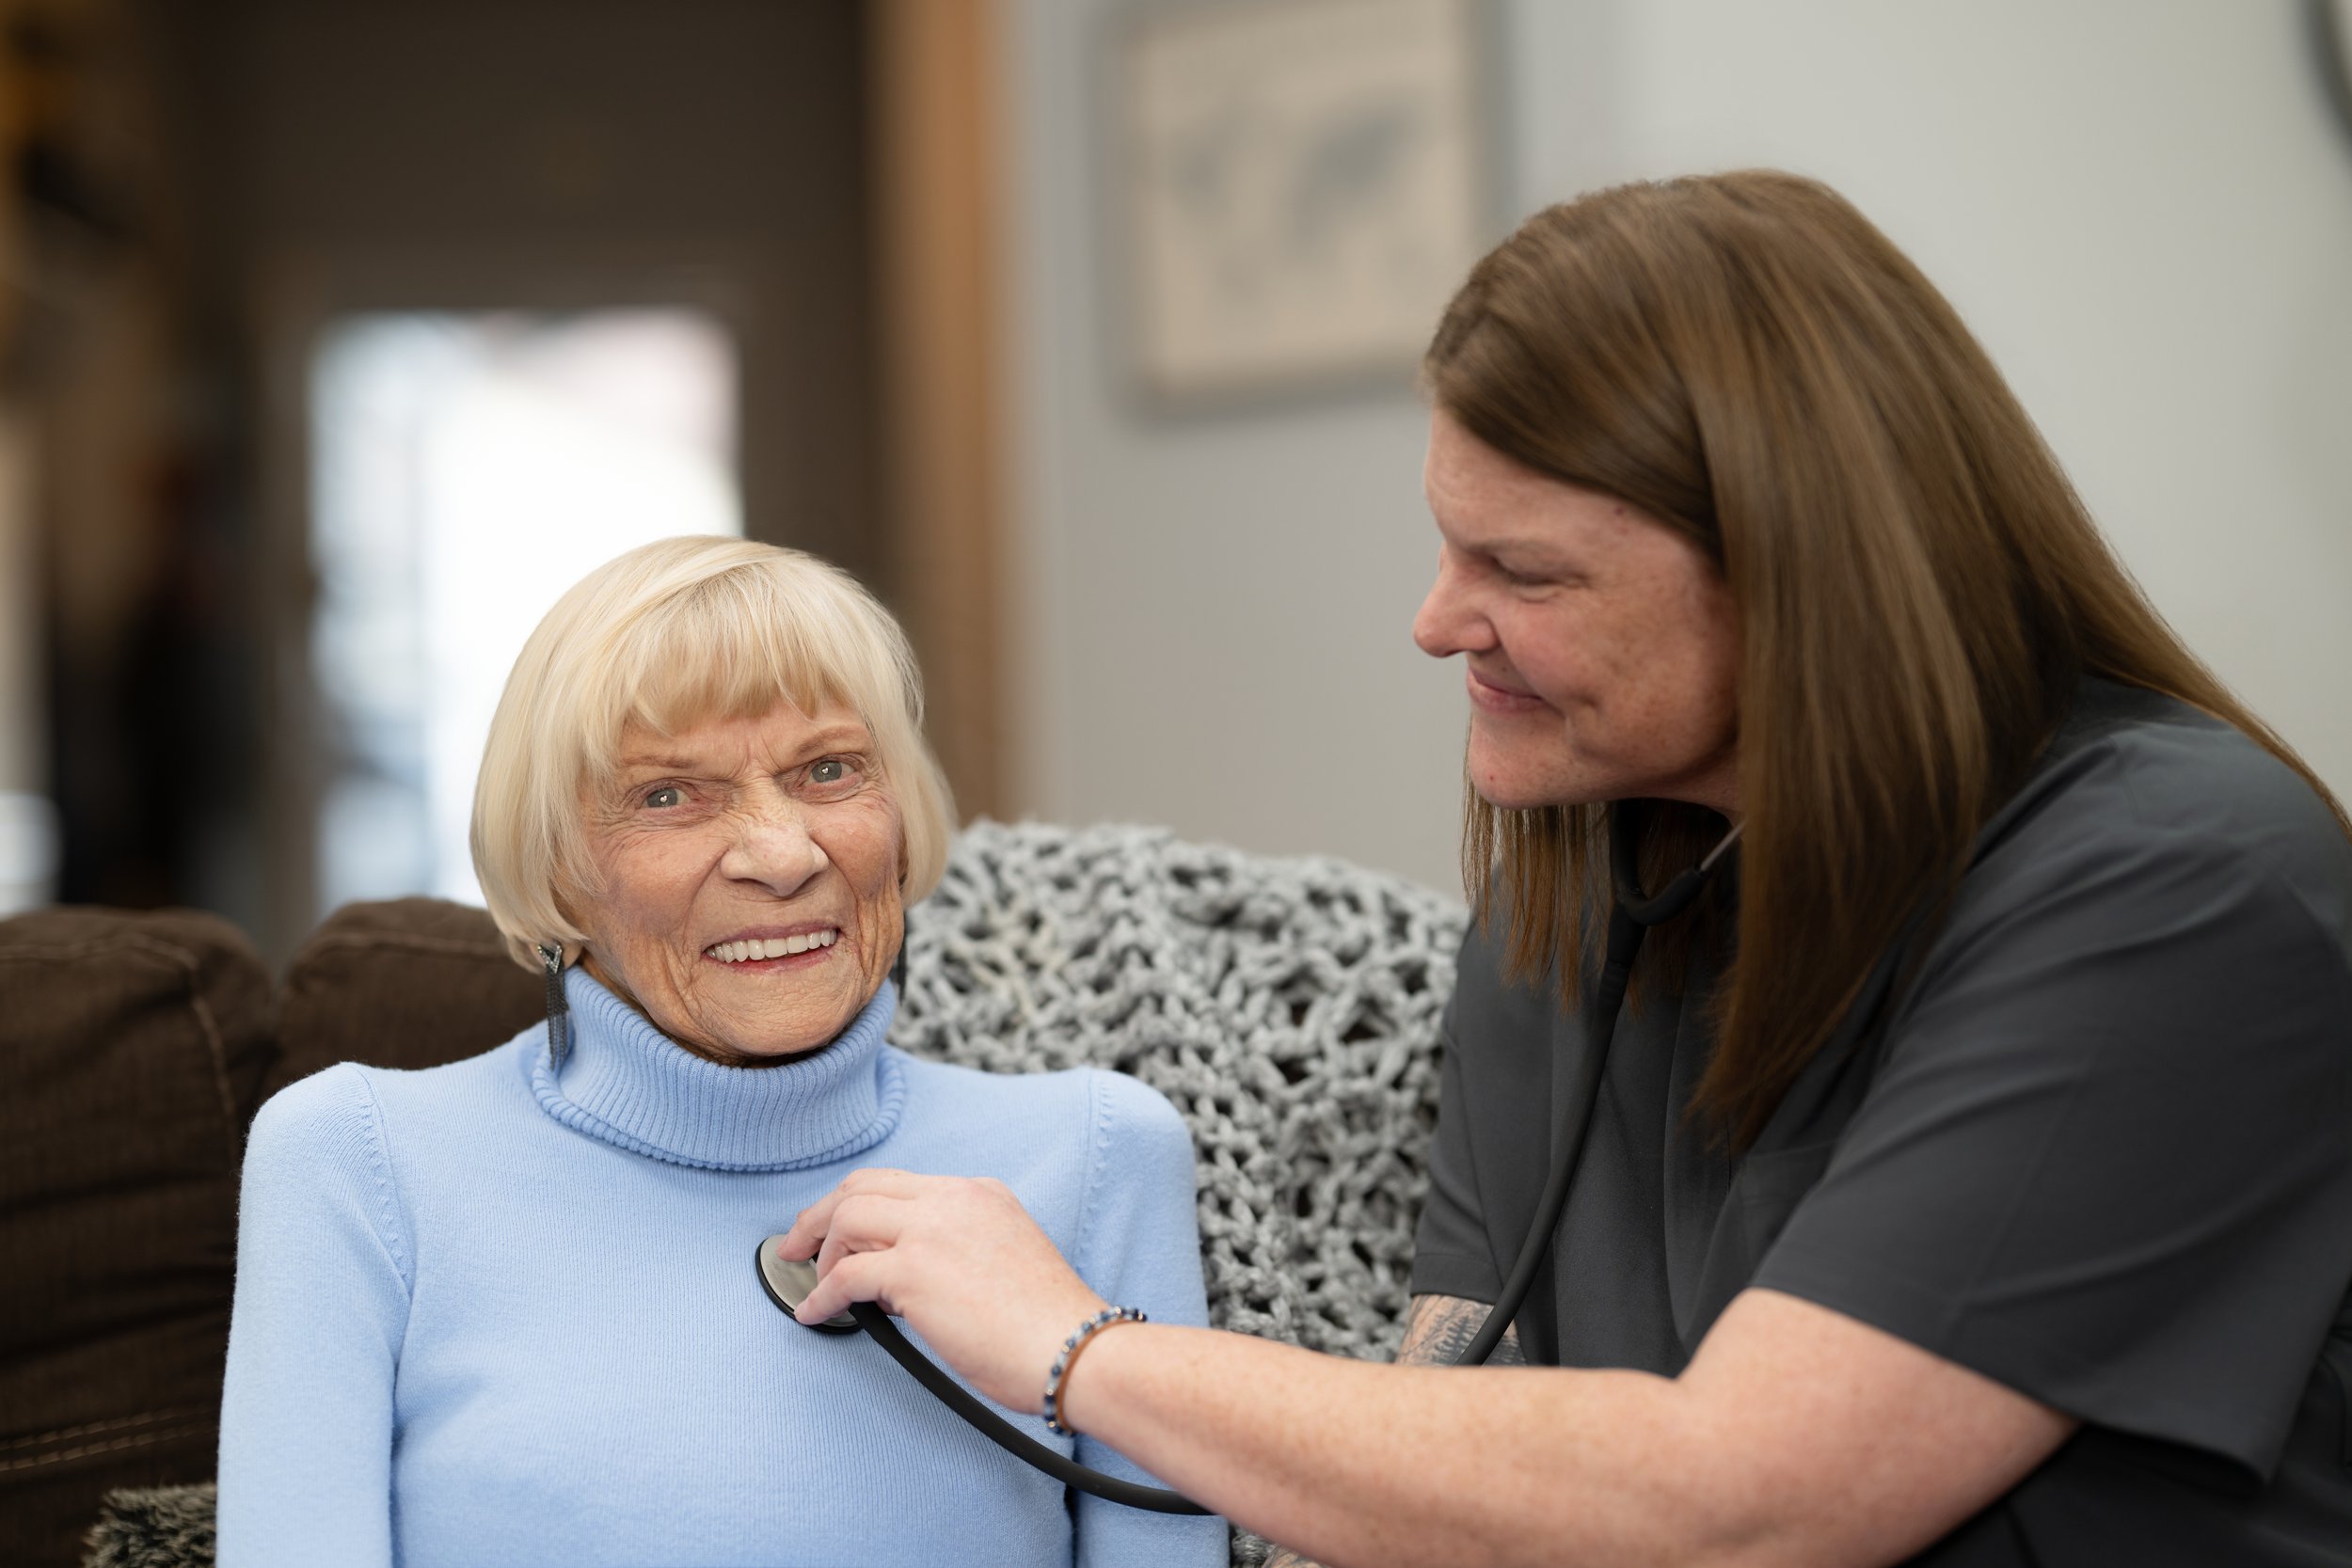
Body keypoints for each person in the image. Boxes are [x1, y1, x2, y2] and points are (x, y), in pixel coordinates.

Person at [776, 171, 2352, 1566]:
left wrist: (1074, 1346)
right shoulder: (1585, 897)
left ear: (1802, 578)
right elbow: (1467, 1446)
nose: (1437, 621)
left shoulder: (2181, 889)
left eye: (1520, 570)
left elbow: (1744, 1503)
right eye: (1449, 542)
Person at [217, 537, 1224, 1568]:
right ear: (558, 868)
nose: (782, 855)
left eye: (828, 769)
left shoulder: (1101, 1155)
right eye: (668, 794)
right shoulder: (355, 1161)